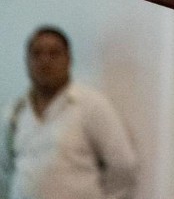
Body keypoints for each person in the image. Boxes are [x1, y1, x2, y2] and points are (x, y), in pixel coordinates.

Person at [0, 26, 138, 199]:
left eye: (54, 53)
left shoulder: (90, 105)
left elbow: (123, 166)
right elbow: (5, 170)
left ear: (68, 59)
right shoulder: (14, 112)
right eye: (37, 54)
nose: (45, 61)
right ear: (27, 60)